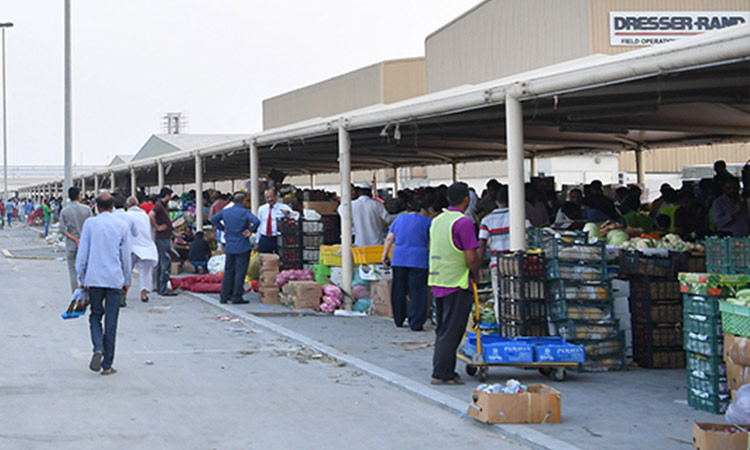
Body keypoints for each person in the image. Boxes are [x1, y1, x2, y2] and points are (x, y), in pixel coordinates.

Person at [429, 182, 480, 385]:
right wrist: (475, 273)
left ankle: (442, 369)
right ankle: (443, 373)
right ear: (466, 199)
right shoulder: (464, 223)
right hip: (456, 281)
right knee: (453, 330)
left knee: (443, 329)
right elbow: (471, 257)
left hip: (438, 279)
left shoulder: (438, 220)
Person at [76, 193, 132, 376]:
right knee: (111, 321)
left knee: (95, 316)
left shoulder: (90, 224)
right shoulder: (121, 225)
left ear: (96, 207)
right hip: (115, 279)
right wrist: (127, 280)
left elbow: (83, 254)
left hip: (94, 279)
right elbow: (125, 257)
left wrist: (82, 278)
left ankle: (98, 348)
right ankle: (107, 365)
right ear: (113, 207)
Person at [382, 197, 431, 331]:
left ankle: (398, 319)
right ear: (422, 209)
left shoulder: (399, 219)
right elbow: (430, 241)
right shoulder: (427, 221)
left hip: (399, 258)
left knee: (398, 289)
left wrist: (385, 254)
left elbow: (390, 237)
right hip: (419, 259)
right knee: (417, 292)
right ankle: (415, 323)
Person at [210, 192, 260, 304]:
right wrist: (250, 231)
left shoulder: (226, 211)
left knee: (228, 271)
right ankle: (236, 296)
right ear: (243, 201)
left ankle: (224, 296)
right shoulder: (244, 212)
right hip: (242, 244)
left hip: (230, 245)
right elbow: (256, 221)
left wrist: (223, 228)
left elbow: (213, 219)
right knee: (240, 272)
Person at [59, 187, 93, 293]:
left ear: (69, 197)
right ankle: (86, 289)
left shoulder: (65, 211)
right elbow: (92, 226)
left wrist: (75, 239)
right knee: (86, 268)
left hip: (71, 244)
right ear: (79, 196)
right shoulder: (87, 209)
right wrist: (81, 239)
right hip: (85, 244)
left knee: (72, 270)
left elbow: (62, 229)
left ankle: (75, 292)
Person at [126, 196, 158, 302]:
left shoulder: (127, 215)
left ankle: (123, 293)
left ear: (128, 205)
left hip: (131, 246)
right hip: (146, 246)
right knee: (145, 272)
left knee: (127, 271)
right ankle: (144, 293)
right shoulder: (144, 215)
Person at [149, 188, 176, 297]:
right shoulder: (159, 206)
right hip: (162, 237)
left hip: (164, 236)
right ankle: (163, 288)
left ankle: (160, 286)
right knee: (165, 262)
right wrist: (157, 227)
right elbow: (151, 215)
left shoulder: (162, 206)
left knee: (162, 262)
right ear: (167, 195)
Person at [256, 188, 292, 254]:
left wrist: (288, 214)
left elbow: (295, 217)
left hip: (278, 237)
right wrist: (257, 240)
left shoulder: (284, 207)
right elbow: (260, 225)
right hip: (265, 237)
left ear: (276, 196)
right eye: (267, 197)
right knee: (264, 258)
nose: (270, 199)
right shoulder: (262, 209)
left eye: (271, 197)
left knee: (280, 257)